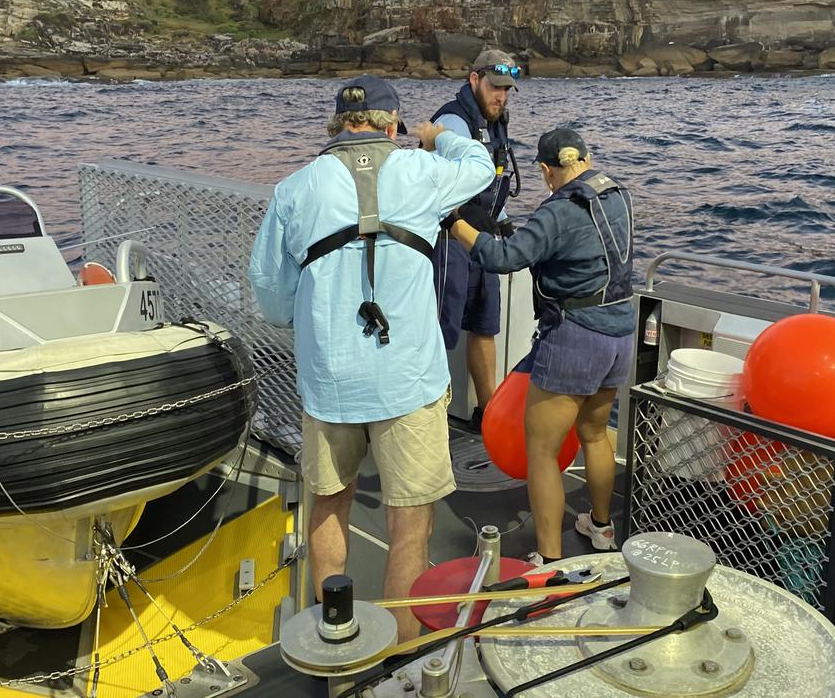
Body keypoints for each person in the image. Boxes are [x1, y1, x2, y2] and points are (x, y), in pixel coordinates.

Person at [249, 76, 495, 641]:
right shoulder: (422, 171)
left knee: (331, 504)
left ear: (338, 123)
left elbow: (269, 291)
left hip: (330, 381)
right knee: (409, 519)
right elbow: (482, 166)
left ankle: (336, 638)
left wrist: (306, 316)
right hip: (408, 380)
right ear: (392, 123)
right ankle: (401, 655)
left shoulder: (295, 189)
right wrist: (439, 136)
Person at [446, 127, 635, 565]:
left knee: (543, 453)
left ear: (548, 170)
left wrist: (456, 225)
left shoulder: (558, 210)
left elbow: (503, 259)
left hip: (575, 339)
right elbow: (579, 248)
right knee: (593, 433)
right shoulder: (617, 193)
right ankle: (601, 527)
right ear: (585, 159)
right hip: (620, 332)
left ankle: (549, 560)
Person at [430, 48, 523, 430]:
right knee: (442, 328)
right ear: (474, 80)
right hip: (451, 239)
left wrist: (504, 225)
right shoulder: (453, 121)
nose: (500, 96)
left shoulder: (494, 120)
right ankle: (428, 418)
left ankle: (489, 414)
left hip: (483, 237)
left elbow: (494, 185)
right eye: (494, 87)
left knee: (484, 325)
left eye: (506, 89)